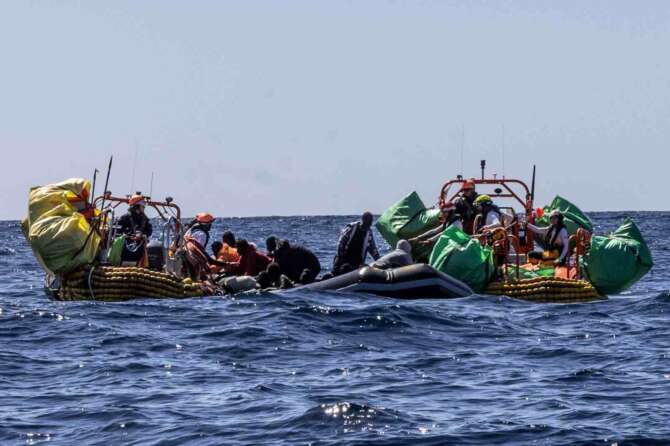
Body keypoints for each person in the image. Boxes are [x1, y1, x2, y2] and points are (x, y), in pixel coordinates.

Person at [117, 195, 153, 265]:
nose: (144, 207)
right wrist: (127, 235)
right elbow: (118, 230)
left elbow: (149, 230)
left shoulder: (145, 219)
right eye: (142, 206)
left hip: (140, 243)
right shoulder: (125, 217)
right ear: (137, 206)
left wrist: (142, 235)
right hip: (125, 243)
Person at [182, 212, 215, 280]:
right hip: (190, 262)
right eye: (210, 223)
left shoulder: (190, 230)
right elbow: (196, 252)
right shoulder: (201, 235)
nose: (211, 225)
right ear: (206, 224)